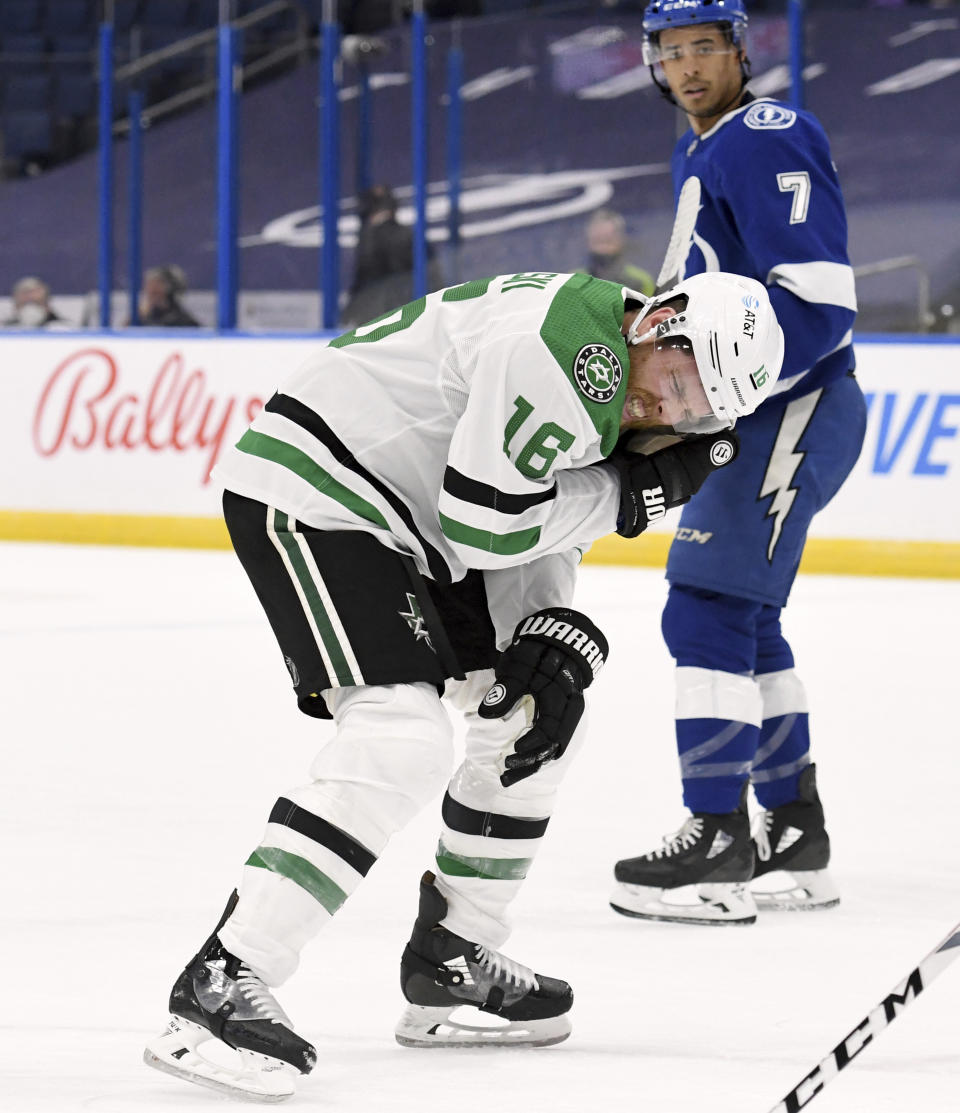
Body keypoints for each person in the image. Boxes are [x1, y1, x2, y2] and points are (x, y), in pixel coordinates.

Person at [143, 267, 783, 1101]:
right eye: (675, 383)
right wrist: (628, 496)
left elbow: (538, 508)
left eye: (694, 412)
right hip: (323, 491)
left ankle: (453, 953)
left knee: (537, 715)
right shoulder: (561, 350)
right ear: (657, 322)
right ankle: (225, 977)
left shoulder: (621, 370)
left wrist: (541, 626)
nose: (667, 412)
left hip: (422, 522)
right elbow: (489, 520)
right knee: (401, 735)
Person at [610, 0, 867, 926]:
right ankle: (797, 836)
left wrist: (717, 396)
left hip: (790, 406)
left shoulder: (763, 131)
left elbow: (822, 302)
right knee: (746, 622)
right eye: (670, 52)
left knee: (705, 604)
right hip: (770, 413)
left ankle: (717, 835)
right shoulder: (705, 147)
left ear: (739, 52)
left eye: (703, 48)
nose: (686, 67)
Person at [342, 184, 442, 327]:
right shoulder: (409, 235)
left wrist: (350, 311)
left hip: (378, 315)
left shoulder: (371, 237)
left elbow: (364, 277)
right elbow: (433, 277)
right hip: (407, 314)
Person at [582, 208, 656, 296]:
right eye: (597, 240)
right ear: (588, 241)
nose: (603, 248)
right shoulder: (573, 280)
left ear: (620, 240)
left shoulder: (641, 281)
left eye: (608, 240)